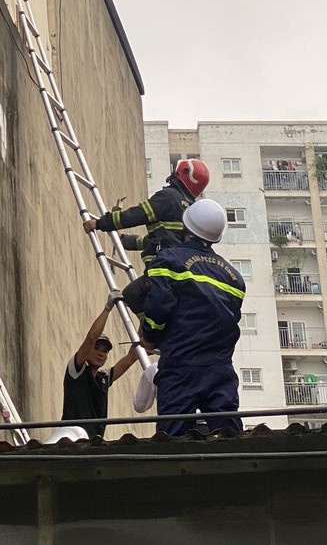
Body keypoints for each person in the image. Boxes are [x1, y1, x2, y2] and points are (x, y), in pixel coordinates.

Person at [139, 198, 245, 438]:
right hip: (220, 370)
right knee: (229, 438)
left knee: (173, 439)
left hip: (181, 366)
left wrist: (149, 336)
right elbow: (227, 321)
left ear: (185, 228)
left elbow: (158, 307)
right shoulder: (234, 278)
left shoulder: (169, 260)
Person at [82, 158, 210, 315]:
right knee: (155, 307)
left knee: (132, 295)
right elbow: (160, 240)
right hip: (181, 273)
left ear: (181, 173)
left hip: (162, 269)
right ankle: (151, 335)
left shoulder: (168, 197)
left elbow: (137, 215)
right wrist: (125, 241)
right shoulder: (191, 210)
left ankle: (148, 337)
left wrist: (100, 223)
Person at [61, 291, 139, 438]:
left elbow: (130, 358)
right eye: (97, 348)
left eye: (105, 351)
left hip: (93, 442)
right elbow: (91, 338)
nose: (101, 353)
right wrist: (107, 308)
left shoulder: (103, 379)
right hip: (72, 439)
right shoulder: (76, 371)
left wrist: (145, 318)